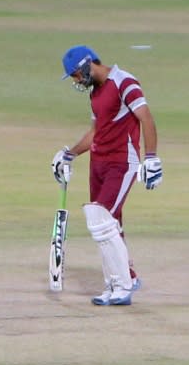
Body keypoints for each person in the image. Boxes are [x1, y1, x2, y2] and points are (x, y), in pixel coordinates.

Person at [51, 45, 162, 306]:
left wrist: (151, 157)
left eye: (76, 75)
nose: (77, 81)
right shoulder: (96, 93)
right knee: (112, 224)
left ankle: (122, 286)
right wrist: (70, 153)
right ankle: (120, 279)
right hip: (98, 163)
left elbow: (146, 118)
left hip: (121, 163)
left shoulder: (124, 82)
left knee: (101, 221)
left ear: (87, 65)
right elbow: (95, 132)